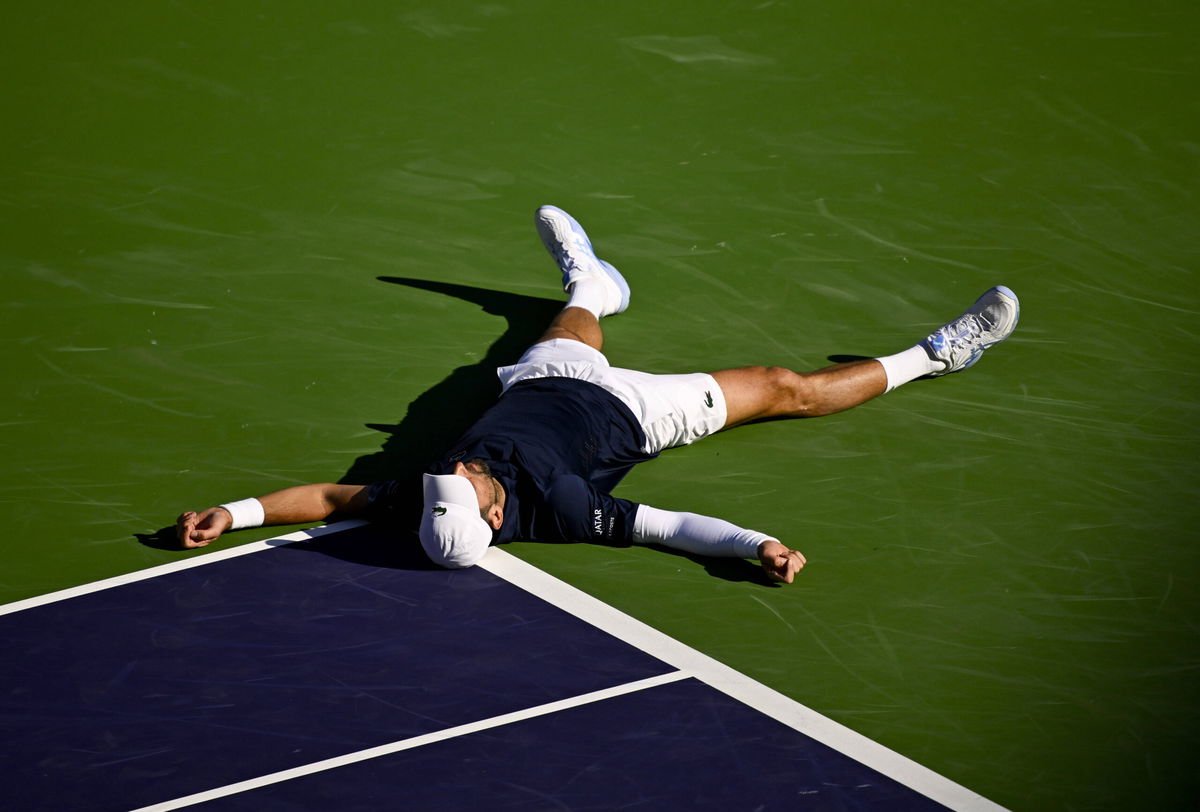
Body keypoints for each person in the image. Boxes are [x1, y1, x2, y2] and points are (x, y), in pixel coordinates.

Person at [177, 206, 1019, 584]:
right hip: (639, 414)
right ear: (496, 518)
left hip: (551, 381)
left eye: (447, 479)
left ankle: (598, 282)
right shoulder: (569, 509)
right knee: (786, 388)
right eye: (461, 484)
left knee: (575, 322)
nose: (456, 466)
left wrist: (233, 511)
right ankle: (938, 356)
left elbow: (327, 495)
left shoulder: (422, 502)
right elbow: (671, 531)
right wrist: (756, 542)